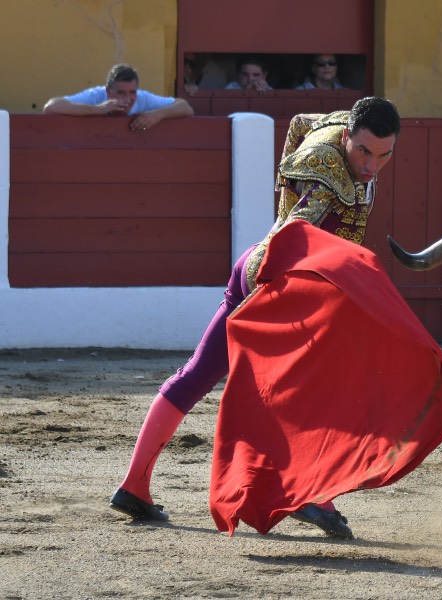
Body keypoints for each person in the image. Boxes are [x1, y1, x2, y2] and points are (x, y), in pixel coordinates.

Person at [109, 97, 408, 539]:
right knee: (315, 390)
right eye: (364, 152)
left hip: (256, 267)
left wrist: (280, 202)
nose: (371, 165)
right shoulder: (322, 170)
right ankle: (311, 495)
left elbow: (302, 120)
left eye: (384, 155)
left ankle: (133, 487)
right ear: (348, 137)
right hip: (280, 282)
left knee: (198, 374)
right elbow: (296, 235)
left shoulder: (346, 126)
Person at [43, 63, 193, 132]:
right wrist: (97, 110)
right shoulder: (97, 96)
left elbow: (185, 107)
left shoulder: (143, 98)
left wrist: (157, 114)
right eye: (121, 93)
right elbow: (51, 107)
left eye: (132, 92)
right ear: (108, 91)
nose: (128, 98)